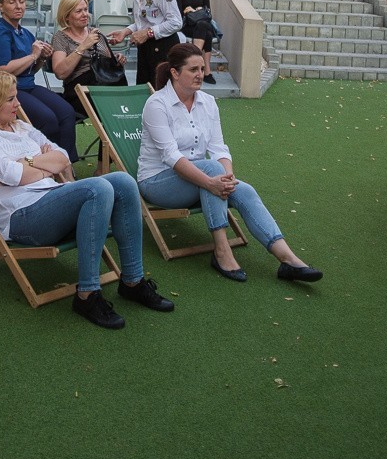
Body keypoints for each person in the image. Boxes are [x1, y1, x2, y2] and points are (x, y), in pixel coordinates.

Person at [0, 70, 174, 329]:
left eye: (16, 98)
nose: (18, 104)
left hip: (52, 199)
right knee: (97, 188)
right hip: (23, 218)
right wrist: (41, 165)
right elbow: (14, 174)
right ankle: (87, 295)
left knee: (123, 182)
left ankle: (133, 282)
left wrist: (30, 164)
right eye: (11, 99)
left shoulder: (21, 127)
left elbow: (62, 158)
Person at [137, 45, 323, 284]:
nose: (200, 74)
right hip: (157, 182)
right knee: (212, 170)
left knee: (244, 189)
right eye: (193, 69)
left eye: (202, 68)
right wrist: (212, 182)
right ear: (174, 73)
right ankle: (222, 250)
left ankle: (288, 260)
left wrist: (228, 179)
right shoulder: (157, 104)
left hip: (197, 179)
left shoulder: (207, 102)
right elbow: (172, 157)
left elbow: (218, 148)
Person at [0, 0, 78, 160]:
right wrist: (32, 55)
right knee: (48, 119)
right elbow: (1, 71)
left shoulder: (24, 32)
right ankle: (44, 162)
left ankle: (66, 163)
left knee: (67, 112)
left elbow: (30, 70)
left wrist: (42, 57)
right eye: (11, 2)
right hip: (3, 91)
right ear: (1, 7)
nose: (18, 6)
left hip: (25, 85)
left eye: (21, 1)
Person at [109, 0, 182, 86]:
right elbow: (143, 21)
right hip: (145, 48)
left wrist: (148, 33)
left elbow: (176, 22)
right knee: (144, 89)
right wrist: (126, 31)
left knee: (161, 90)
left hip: (163, 48)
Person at [51, 0, 126, 116]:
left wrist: (116, 59)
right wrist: (83, 46)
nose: (85, 14)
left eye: (86, 9)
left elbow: (105, 64)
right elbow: (60, 73)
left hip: (105, 85)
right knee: (114, 106)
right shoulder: (60, 38)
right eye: (78, 11)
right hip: (79, 91)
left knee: (126, 101)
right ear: (67, 16)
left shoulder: (96, 34)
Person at [175, 0, 217, 84]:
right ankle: (206, 71)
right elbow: (178, 14)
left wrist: (194, 11)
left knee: (202, 25)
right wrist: (194, 12)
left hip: (202, 24)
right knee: (206, 34)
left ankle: (194, 59)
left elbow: (208, 15)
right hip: (186, 26)